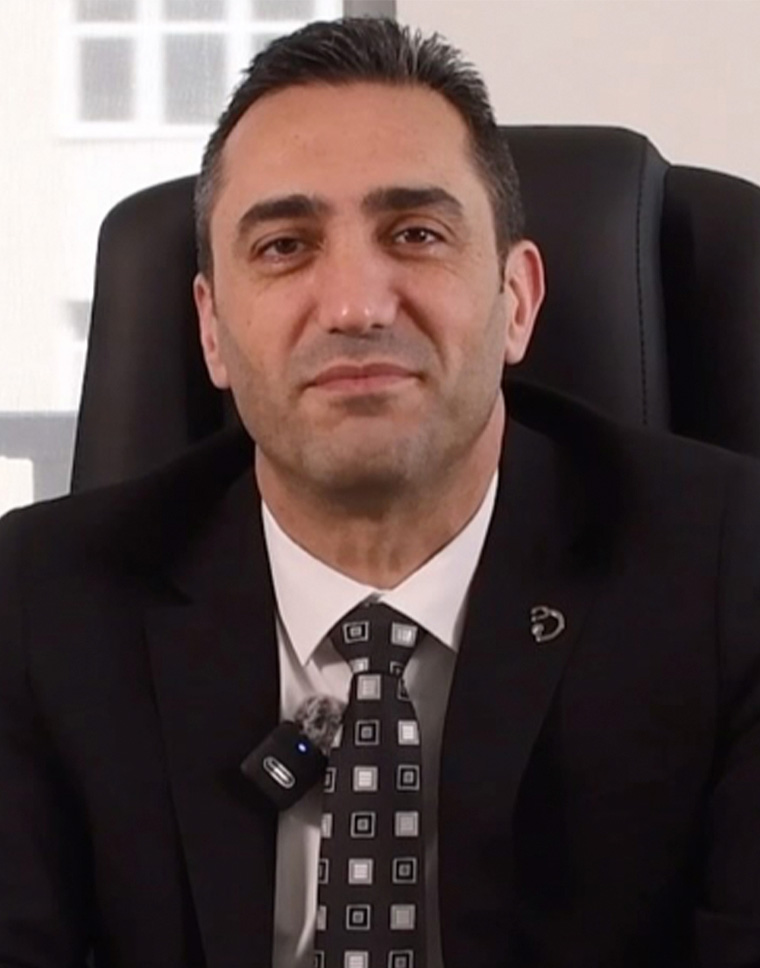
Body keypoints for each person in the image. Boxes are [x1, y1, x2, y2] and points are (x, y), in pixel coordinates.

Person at [1, 16, 759, 968]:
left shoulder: (730, 573)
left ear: (517, 300)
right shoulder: (38, 603)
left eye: (416, 233)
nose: (356, 306)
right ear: (211, 330)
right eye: (285, 246)